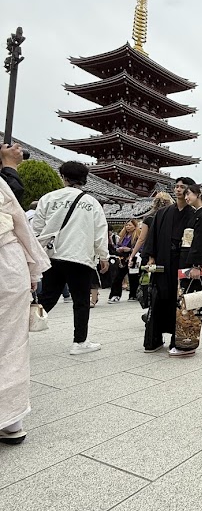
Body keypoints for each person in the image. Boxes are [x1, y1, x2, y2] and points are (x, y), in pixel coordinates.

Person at [33, 160, 109, 355]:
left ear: (63, 177)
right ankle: (79, 341)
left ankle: (19, 327)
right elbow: (100, 232)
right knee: (81, 300)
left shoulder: (48, 198)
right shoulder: (91, 203)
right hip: (79, 256)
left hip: (53, 255)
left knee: (48, 297)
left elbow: (36, 229)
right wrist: (104, 256)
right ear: (84, 179)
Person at [0, 173, 51, 444]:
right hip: (8, 263)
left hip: (9, 263)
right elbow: (21, 225)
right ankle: (11, 421)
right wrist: (33, 269)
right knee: (11, 343)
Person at [141, 177, 196, 352]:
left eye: (183, 187)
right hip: (164, 259)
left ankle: (178, 339)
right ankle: (155, 338)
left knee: (179, 300)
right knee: (160, 297)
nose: (178, 189)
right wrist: (151, 256)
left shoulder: (194, 213)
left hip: (183, 261)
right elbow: (153, 236)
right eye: (177, 186)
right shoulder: (163, 213)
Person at [169, 182, 202, 356]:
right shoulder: (198, 214)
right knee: (185, 303)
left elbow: (200, 241)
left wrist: (196, 265)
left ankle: (187, 344)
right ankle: (184, 342)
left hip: (194, 266)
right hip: (187, 263)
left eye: (189, 194)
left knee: (191, 304)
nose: (186, 197)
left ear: (199, 195)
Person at [108, 219, 140, 302]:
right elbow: (117, 246)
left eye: (130, 225)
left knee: (133, 278)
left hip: (133, 258)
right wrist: (119, 249)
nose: (128, 227)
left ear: (134, 226)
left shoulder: (137, 236)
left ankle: (133, 295)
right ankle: (115, 294)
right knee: (118, 277)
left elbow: (140, 248)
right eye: (127, 225)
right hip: (122, 259)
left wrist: (129, 249)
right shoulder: (122, 236)